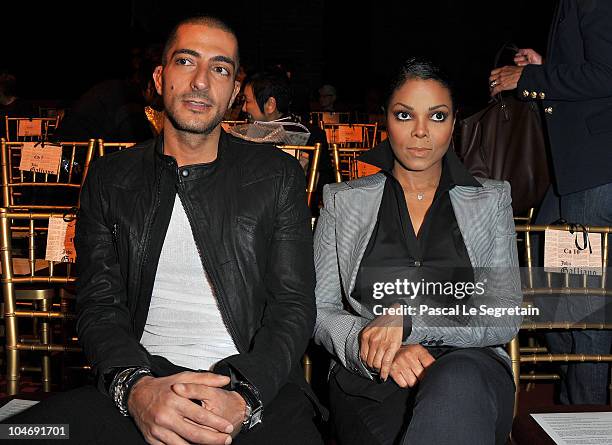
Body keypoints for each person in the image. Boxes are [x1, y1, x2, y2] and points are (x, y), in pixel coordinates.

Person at [6, 15, 323, 445]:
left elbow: (293, 307)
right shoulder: (109, 178)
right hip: (142, 379)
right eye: (186, 61)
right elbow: (99, 305)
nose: (200, 81)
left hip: (253, 387)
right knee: (25, 433)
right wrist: (135, 389)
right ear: (160, 77)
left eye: (220, 68)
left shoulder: (276, 175)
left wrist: (245, 395)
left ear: (233, 92)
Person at [313, 58, 522, 445]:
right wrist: (373, 343)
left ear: (455, 121)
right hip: (371, 376)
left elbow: (504, 312)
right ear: (385, 120)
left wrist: (410, 323)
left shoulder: (492, 200)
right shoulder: (343, 202)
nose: (421, 132)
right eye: (405, 115)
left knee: (457, 386)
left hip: (469, 363)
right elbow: (320, 309)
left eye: (437, 116)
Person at [490, 0, 612, 405]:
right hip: (577, 177)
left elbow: (607, 72)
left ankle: (584, 418)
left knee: (583, 307)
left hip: (594, 175)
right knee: (544, 286)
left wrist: (529, 77)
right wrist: (544, 65)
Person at [241, 71, 334, 193]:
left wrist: (307, 175)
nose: (243, 108)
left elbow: (325, 185)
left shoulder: (312, 136)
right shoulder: (314, 133)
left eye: (247, 101)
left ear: (270, 105)